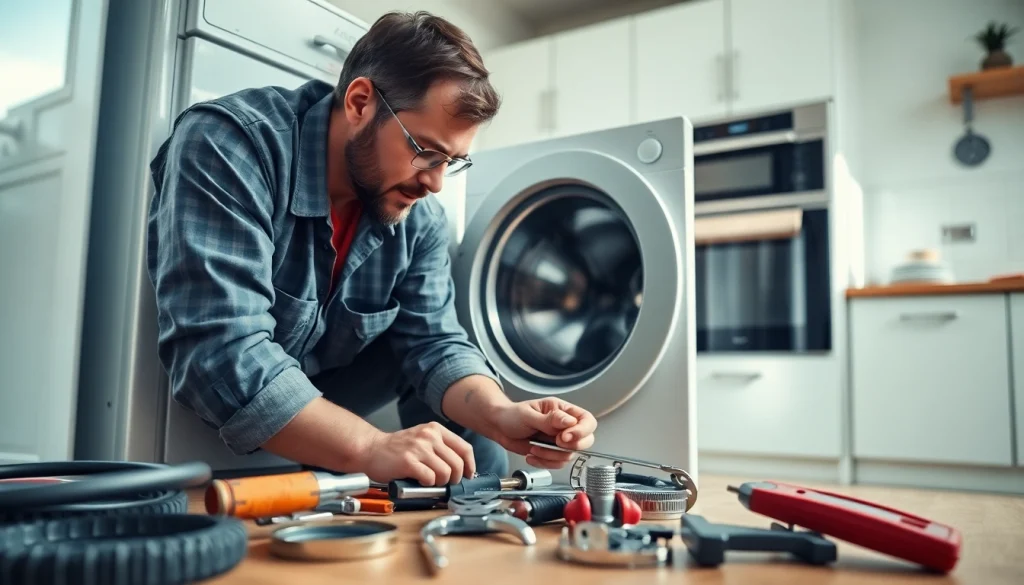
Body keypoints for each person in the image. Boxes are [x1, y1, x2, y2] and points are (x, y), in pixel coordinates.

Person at [146, 10, 597, 486]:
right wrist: (370, 447)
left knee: (472, 424)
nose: (436, 182)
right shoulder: (230, 145)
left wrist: (502, 413)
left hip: (333, 411)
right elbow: (220, 350)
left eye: (453, 162)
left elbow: (434, 341)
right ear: (360, 103)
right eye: (424, 151)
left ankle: (477, 528)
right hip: (214, 438)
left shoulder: (418, 217)